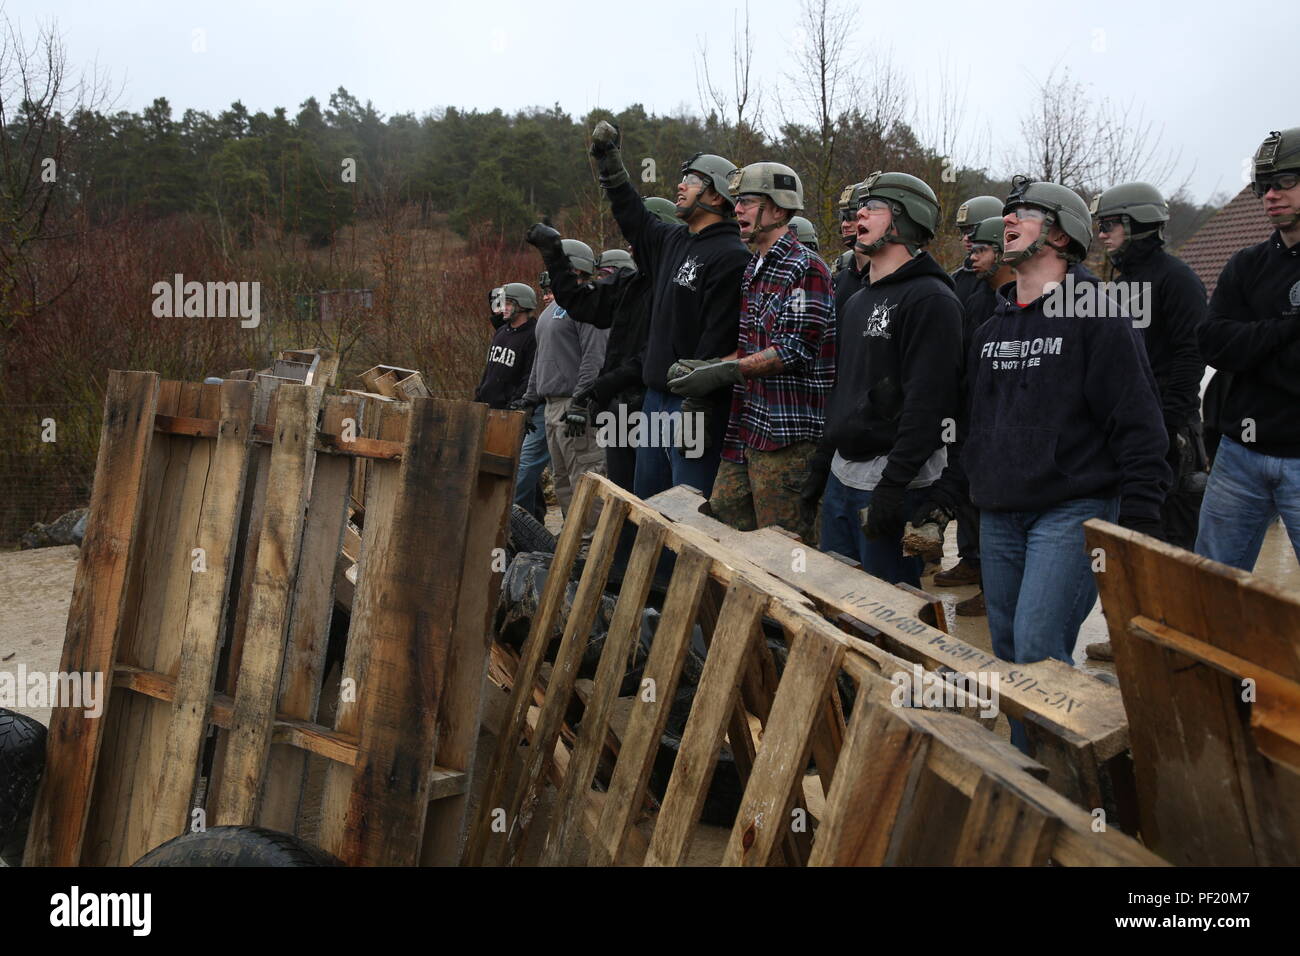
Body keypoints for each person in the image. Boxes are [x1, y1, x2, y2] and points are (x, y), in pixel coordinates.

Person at [919, 177, 1170, 751]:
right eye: (1006, 214)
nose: (1006, 222)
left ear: (1059, 233)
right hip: (1002, 513)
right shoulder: (991, 330)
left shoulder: (1098, 315)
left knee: (1037, 644)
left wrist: (1143, 521)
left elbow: (1139, 424)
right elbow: (975, 428)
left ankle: (1071, 787)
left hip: (1072, 507)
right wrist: (947, 497)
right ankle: (1030, 774)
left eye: (1023, 214)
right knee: (1008, 650)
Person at [801, 171, 963, 585]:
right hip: (843, 478)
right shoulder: (856, 300)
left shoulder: (932, 300)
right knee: (833, 605)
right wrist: (823, 463)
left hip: (895, 486)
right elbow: (845, 388)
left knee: (887, 614)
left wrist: (893, 485)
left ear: (904, 219)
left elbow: (929, 404)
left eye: (872, 207)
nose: (858, 216)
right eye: (858, 209)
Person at [667, 162, 835, 544]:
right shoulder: (754, 268)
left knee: (785, 554)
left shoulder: (805, 268)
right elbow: (750, 349)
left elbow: (793, 349)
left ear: (777, 209)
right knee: (725, 522)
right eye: (737, 202)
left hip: (789, 440)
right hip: (747, 431)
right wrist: (708, 367)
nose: (737, 209)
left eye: (747, 201)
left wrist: (722, 374)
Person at [587, 120, 750, 500]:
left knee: (686, 518)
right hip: (655, 399)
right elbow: (633, 217)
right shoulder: (673, 241)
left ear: (716, 196)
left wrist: (699, 407)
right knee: (649, 508)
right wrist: (611, 165)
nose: (680, 185)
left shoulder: (731, 256)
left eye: (691, 179)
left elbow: (719, 342)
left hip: (693, 406)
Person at [1195, 127, 1300, 570]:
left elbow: (1238, 349)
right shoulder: (1246, 264)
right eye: (1263, 185)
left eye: (1285, 182)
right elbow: (1214, 344)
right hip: (1240, 455)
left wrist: (1252, 349)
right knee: (1208, 591)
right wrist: (1284, 329)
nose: (1270, 195)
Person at [526, 200, 678, 491]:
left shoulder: (674, 287)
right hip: (614, 405)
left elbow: (597, 357)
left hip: (653, 407)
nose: (631, 245)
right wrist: (553, 253)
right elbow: (544, 351)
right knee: (591, 488)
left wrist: (584, 398)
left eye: (639, 235)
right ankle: (583, 538)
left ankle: (591, 538)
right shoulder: (629, 285)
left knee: (622, 490)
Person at [932, 215, 1014, 616]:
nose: (969, 250)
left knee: (992, 501)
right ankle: (977, 566)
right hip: (969, 402)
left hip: (997, 414)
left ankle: (995, 586)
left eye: (979, 246)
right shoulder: (966, 283)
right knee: (968, 491)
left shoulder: (1013, 297)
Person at [512, 237, 609, 523]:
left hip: (575, 406)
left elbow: (595, 358)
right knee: (563, 481)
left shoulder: (588, 304)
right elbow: (540, 360)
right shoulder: (550, 311)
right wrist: (531, 399)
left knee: (586, 479)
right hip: (551, 406)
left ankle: (592, 549)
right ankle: (573, 544)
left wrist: (581, 401)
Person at [950, 195, 1004, 305]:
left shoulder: (1011, 279)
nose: (966, 238)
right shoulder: (956, 278)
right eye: (964, 231)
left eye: (972, 231)